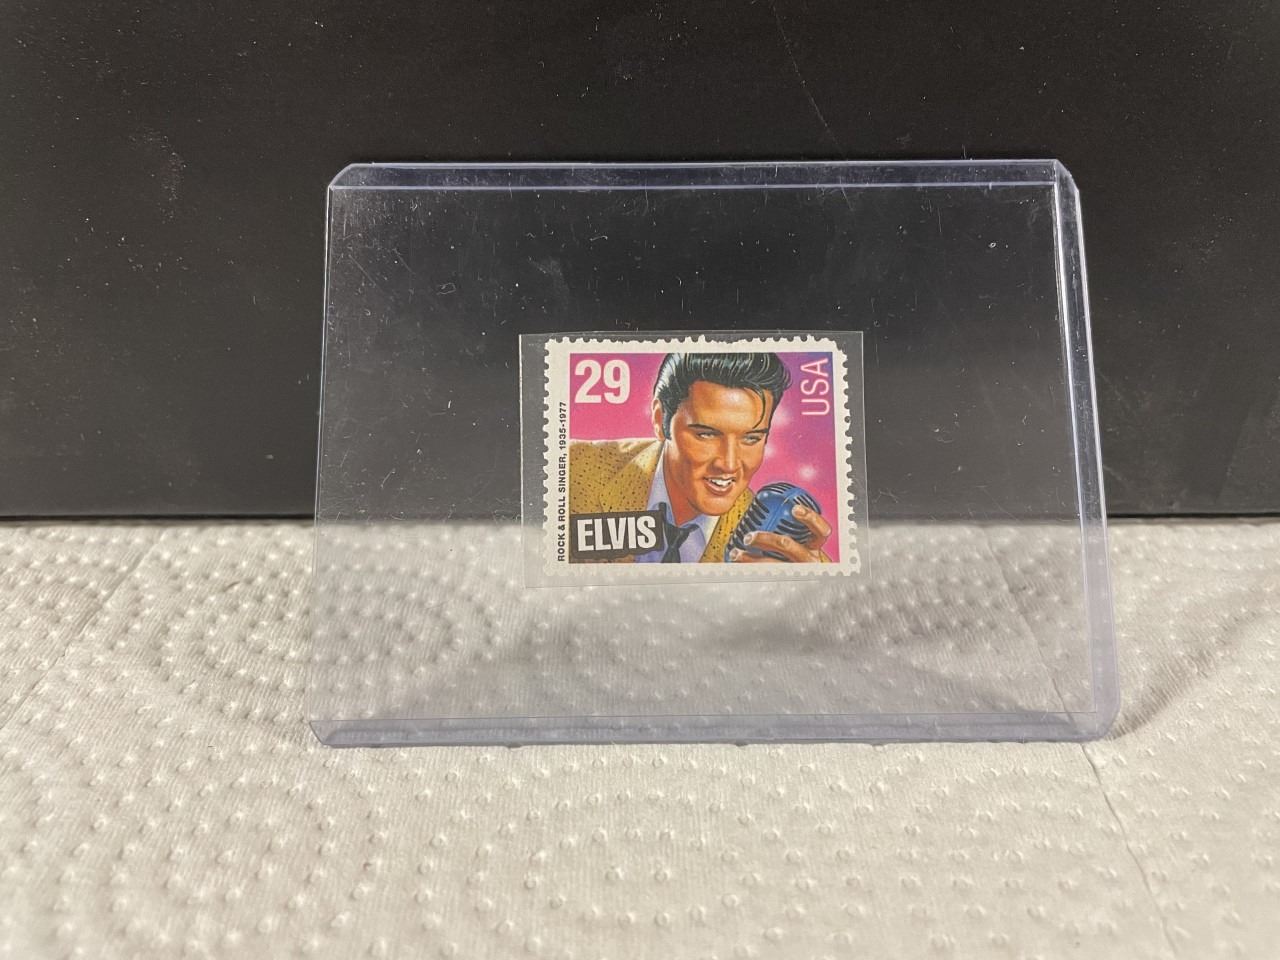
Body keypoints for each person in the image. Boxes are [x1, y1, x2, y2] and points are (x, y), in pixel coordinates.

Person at [569, 352, 830, 563]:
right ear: (660, 420)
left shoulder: (780, 552)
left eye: (751, 439)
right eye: (706, 434)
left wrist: (812, 587)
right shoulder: (571, 469)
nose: (728, 464)